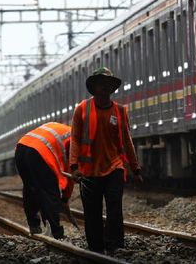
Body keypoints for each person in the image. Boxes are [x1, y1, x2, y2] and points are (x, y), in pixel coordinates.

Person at [69, 67, 142, 254]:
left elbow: (127, 140)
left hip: (114, 168)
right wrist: (74, 166)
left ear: (112, 88)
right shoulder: (81, 110)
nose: (104, 88)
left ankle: (116, 246)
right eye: (101, 84)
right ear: (94, 87)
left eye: (108, 85)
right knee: (92, 213)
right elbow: (75, 138)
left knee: (115, 209)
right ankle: (96, 248)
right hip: (88, 171)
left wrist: (135, 168)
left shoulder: (119, 111)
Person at [15, 121, 73, 239]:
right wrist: (65, 198)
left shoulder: (62, 129)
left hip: (21, 147)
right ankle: (56, 232)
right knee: (49, 190)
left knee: (30, 188)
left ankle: (34, 226)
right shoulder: (75, 139)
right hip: (39, 151)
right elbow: (69, 172)